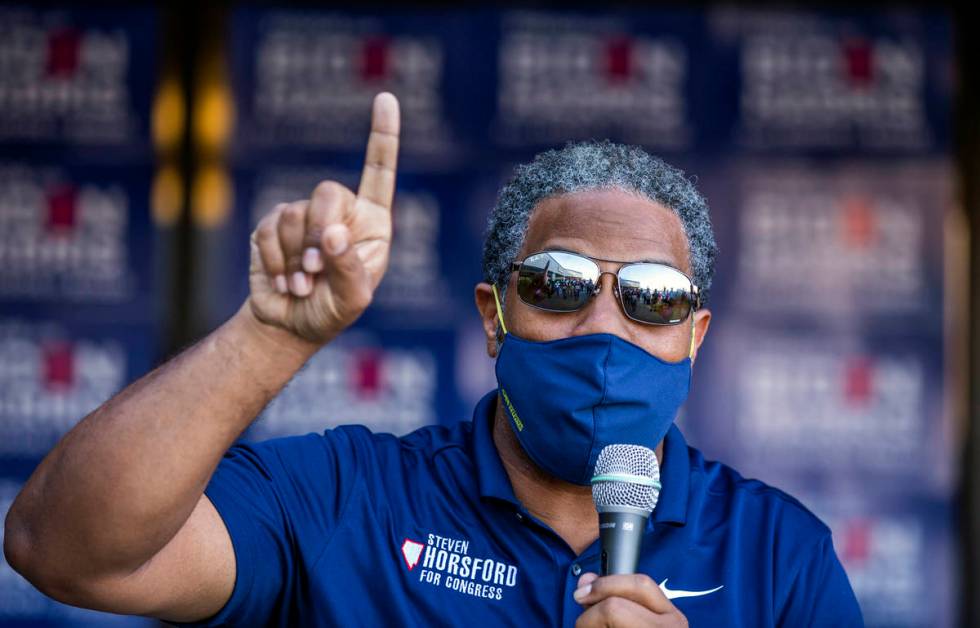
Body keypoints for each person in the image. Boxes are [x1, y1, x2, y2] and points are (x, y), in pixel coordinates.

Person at [3, 93, 864, 627]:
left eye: (653, 296)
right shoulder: (348, 499)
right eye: (558, 284)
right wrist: (274, 332)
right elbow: (68, 549)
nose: (605, 325)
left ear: (695, 336)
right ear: (494, 316)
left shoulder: (781, 556)